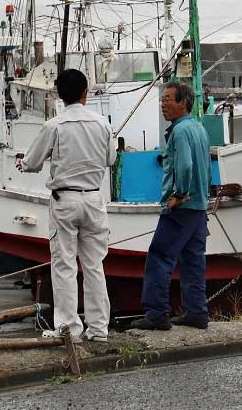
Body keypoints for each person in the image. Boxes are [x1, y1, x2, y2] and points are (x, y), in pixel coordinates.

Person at [18, 68, 116, 341]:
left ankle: (69, 328)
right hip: (95, 199)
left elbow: (32, 162)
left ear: (59, 95)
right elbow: (110, 159)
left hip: (65, 200)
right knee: (95, 265)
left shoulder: (54, 125)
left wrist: (21, 163)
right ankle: (99, 329)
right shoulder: (103, 124)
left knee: (64, 266)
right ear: (86, 93)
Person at [130, 81, 211, 331]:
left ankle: (156, 314)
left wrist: (179, 194)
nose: (163, 104)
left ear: (183, 103)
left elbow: (184, 166)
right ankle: (197, 312)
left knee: (159, 256)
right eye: (162, 100)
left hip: (182, 208)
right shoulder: (198, 128)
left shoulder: (179, 131)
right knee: (193, 261)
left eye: (168, 99)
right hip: (199, 208)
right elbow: (204, 167)